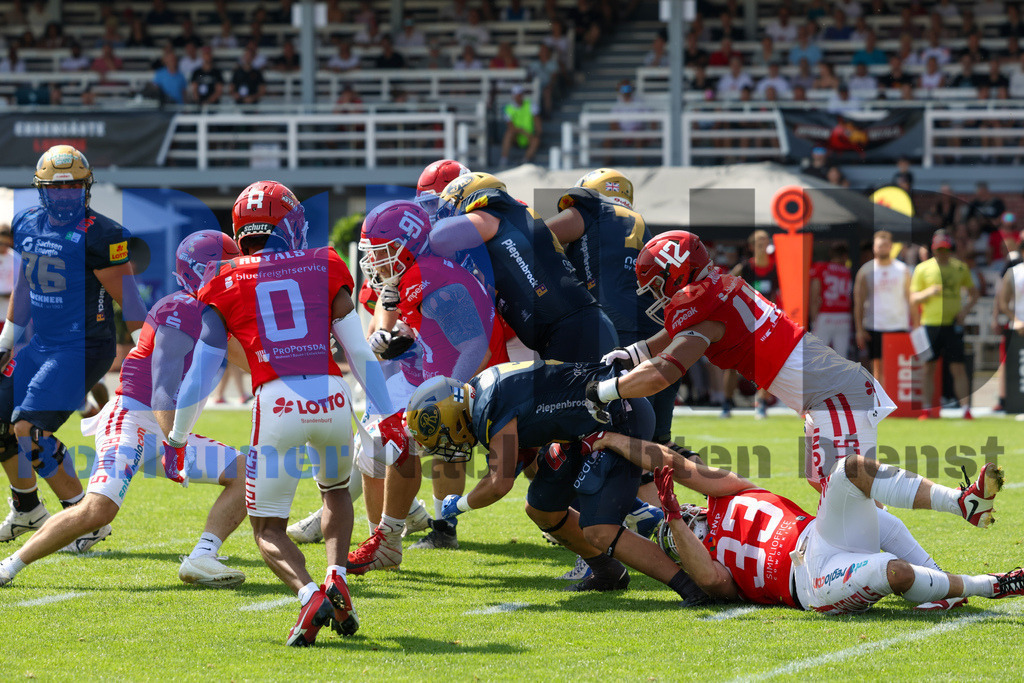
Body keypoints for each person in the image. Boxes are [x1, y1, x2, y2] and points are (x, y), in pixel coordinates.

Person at [167, 181, 404, 646]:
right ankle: (336, 576)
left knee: (268, 527)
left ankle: (310, 595)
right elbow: (358, 350)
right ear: (291, 224)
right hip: (333, 394)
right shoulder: (326, 263)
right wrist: (388, 412)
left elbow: (201, 372)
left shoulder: (222, 280)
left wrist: (177, 439)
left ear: (241, 230)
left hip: (275, 402)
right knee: (335, 492)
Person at [0, 231, 248, 588]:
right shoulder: (179, 309)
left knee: (247, 471)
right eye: (228, 266)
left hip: (162, 428)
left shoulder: (215, 315)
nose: (236, 273)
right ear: (204, 271)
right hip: (131, 419)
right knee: (98, 510)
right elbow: (162, 390)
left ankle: (202, 558)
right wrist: (176, 445)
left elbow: (255, 363)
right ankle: (9, 565)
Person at [588, 230, 896, 493]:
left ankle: (943, 505)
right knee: (830, 488)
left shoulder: (705, 309)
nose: (657, 295)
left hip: (833, 395)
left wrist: (604, 391)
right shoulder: (716, 287)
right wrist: (633, 353)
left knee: (849, 497)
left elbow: (663, 373)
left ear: (676, 271)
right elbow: (673, 335)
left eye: (658, 285)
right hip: (826, 394)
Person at [594, 435, 1024, 612]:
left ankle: (961, 504)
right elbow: (709, 579)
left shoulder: (730, 492)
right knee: (893, 572)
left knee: (852, 470)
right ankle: (989, 584)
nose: (687, 519)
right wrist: (670, 516)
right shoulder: (706, 561)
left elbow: (672, 463)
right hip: (811, 580)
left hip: (820, 533)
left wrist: (613, 439)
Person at [405, 365, 702, 602]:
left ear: (452, 417)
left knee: (599, 529)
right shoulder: (482, 388)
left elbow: (499, 484)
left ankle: (691, 586)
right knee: (541, 507)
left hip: (614, 417)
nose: (445, 445)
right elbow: (529, 452)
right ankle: (607, 571)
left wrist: (458, 504)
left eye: (442, 436)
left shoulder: (489, 403)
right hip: (582, 429)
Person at [344, 199, 505, 573]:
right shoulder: (418, 274)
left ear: (409, 246)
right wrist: (404, 345)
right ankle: (384, 537)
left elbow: (473, 344)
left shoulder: (432, 278)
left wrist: (450, 393)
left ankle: (387, 539)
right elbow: (437, 339)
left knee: (387, 442)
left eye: (383, 253)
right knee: (371, 445)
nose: (375, 263)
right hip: (433, 377)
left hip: (463, 385)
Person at [0, 146, 146, 549]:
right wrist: (6, 341)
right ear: (42, 190)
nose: (65, 194)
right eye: (57, 187)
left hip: (82, 345)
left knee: (30, 428)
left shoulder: (102, 234)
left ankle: (84, 517)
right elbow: (25, 285)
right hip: (40, 342)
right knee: (0, 422)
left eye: (73, 187)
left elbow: (130, 303)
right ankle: (28, 509)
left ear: (86, 188)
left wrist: (150, 358)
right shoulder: (27, 222)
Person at [429, 173, 617, 362]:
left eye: (447, 213)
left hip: (574, 330)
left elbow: (440, 238)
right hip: (569, 332)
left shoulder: (493, 212)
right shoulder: (504, 232)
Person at [910, 231, 979, 420]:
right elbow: (913, 298)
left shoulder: (959, 268)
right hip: (930, 325)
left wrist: (964, 312)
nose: (942, 253)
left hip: (952, 325)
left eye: (946, 250)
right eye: (939, 250)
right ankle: (926, 409)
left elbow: (974, 294)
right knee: (928, 367)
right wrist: (928, 293)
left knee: (958, 368)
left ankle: (966, 409)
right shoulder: (923, 269)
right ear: (933, 249)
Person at [854, 230, 914, 385]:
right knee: (877, 365)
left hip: (898, 325)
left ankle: (894, 401)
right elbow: (859, 301)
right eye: (879, 246)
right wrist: (859, 329)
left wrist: (915, 324)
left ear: (891, 247)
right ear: (874, 247)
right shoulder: (866, 271)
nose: (882, 248)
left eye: (885, 245)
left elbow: (910, 299)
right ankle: (879, 402)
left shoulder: (902, 270)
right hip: (875, 325)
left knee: (895, 366)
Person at [810, 242, 853, 358]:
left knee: (817, 355)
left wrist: (813, 320)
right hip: (844, 317)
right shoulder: (847, 271)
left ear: (830, 253)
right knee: (842, 358)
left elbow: (814, 296)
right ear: (845, 255)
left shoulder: (821, 267)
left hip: (826, 315)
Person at [499, 85, 541, 166]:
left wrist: (538, 133)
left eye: (520, 94)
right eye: (516, 95)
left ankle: (525, 160)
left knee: (536, 140)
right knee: (508, 134)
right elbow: (510, 127)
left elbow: (538, 123)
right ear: (513, 96)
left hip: (529, 136)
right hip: (518, 137)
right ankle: (503, 159)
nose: (518, 97)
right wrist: (524, 132)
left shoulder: (531, 105)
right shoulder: (508, 108)